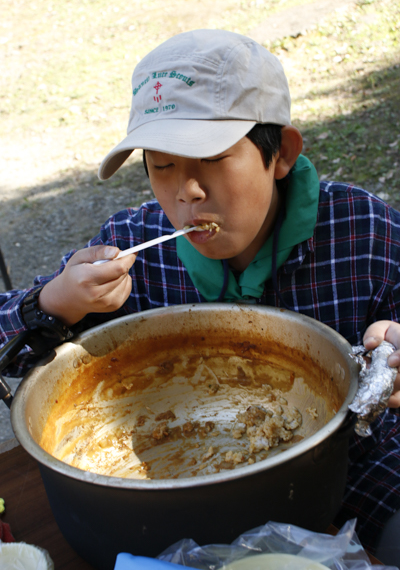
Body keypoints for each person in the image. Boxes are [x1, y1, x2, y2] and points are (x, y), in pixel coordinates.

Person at [1, 29, 400, 561]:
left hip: (352, 466)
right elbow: (10, 340)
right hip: (166, 500)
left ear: (279, 153)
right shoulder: (132, 247)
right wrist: (52, 303)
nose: (186, 190)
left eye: (210, 159)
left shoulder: (363, 232)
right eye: (162, 166)